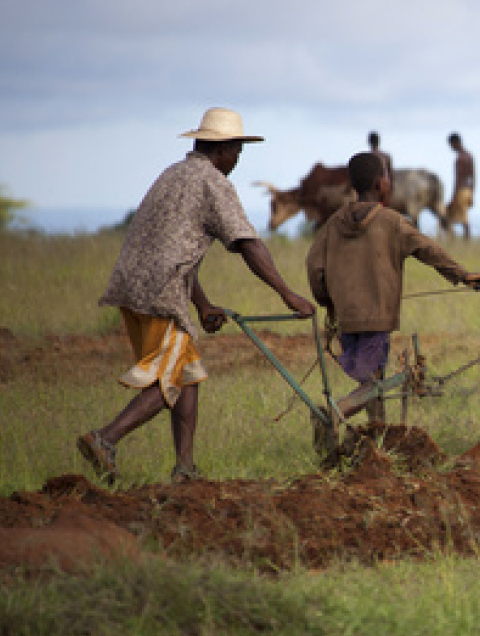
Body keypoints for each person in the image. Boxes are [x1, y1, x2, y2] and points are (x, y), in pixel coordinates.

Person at [76, 107, 316, 484]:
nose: (237, 159)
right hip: (161, 294)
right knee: (170, 378)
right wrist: (288, 295)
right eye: (237, 151)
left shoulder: (172, 174)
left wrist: (202, 304)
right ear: (225, 149)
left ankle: (185, 468)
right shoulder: (212, 182)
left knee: (187, 372)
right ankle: (104, 439)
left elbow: (174, 247)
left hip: (132, 288)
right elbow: (248, 244)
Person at [306, 151, 480, 427]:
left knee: (371, 381)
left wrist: (329, 302)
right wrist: (462, 275)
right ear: (381, 184)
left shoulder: (333, 223)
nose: (390, 180)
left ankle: (377, 437)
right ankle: (331, 415)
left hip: (345, 318)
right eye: (388, 175)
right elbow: (428, 249)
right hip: (376, 318)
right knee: (374, 383)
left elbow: (314, 267)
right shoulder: (392, 222)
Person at [446, 132, 474, 237]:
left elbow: (457, 180)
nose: (451, 148)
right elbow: (473, 176)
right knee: (463, 217)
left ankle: (464, 240)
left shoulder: (459, 159)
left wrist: (453, 197)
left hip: (461, 190)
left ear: (455, 143)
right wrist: (472, 193)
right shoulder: (470, 156)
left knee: (457, 217)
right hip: (468, 190)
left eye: (451, 145)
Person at [367, 131, 395, 197]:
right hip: (385, 185)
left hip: (372, 186)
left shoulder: (367, 157)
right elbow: (390, 173)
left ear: (369, 142)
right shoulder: (386, 156)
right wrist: (391, 186)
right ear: (379, 142)